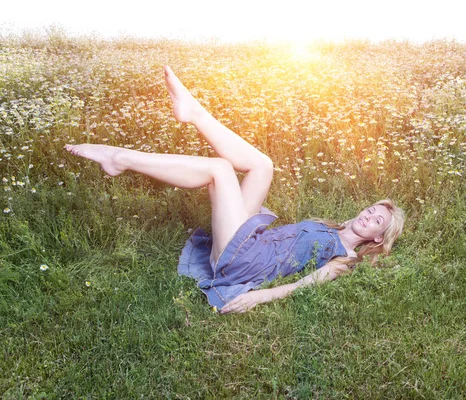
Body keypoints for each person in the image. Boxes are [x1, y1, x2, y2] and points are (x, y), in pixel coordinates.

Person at [65, 66, 405, 314]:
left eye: (377, 221)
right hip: (252, 242)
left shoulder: (342, 259)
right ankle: (195, 113)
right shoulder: (329, 227)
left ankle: (119, 158)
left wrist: (257, 297)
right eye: (372, 210)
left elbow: (303, 286)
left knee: (220, 169)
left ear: (377, 239)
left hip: (244, 262)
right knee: (263, 166)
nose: (369, 215)